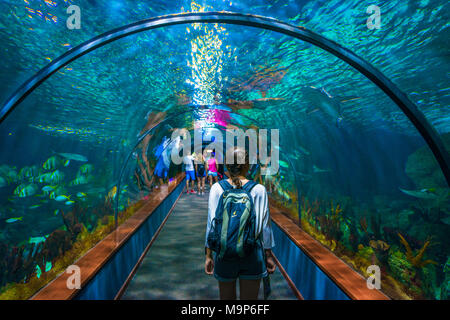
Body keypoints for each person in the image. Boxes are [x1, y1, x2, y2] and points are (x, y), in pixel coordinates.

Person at [204, 147, 276, 300]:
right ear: (248, 165)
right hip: (252, 253)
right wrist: (268, 255)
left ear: (226, 165)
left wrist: (209, 255)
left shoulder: (217, 188)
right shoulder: (259, 190)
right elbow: (265, 227)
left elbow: (211, 224)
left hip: (224, 253)